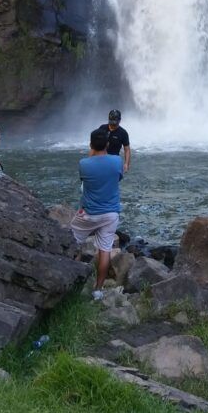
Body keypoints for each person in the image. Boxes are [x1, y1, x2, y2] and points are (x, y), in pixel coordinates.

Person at [71, 128, 124, 300]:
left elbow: (84, 181)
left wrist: (92, 151)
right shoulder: (117, 161)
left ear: (91, 145)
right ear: (108, 144)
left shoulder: (84, 164)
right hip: (110, 214)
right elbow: (118, 178)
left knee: (72, 244)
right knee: (105, 250)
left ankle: (71, 282)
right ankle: (98, 290)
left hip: (88, 214)